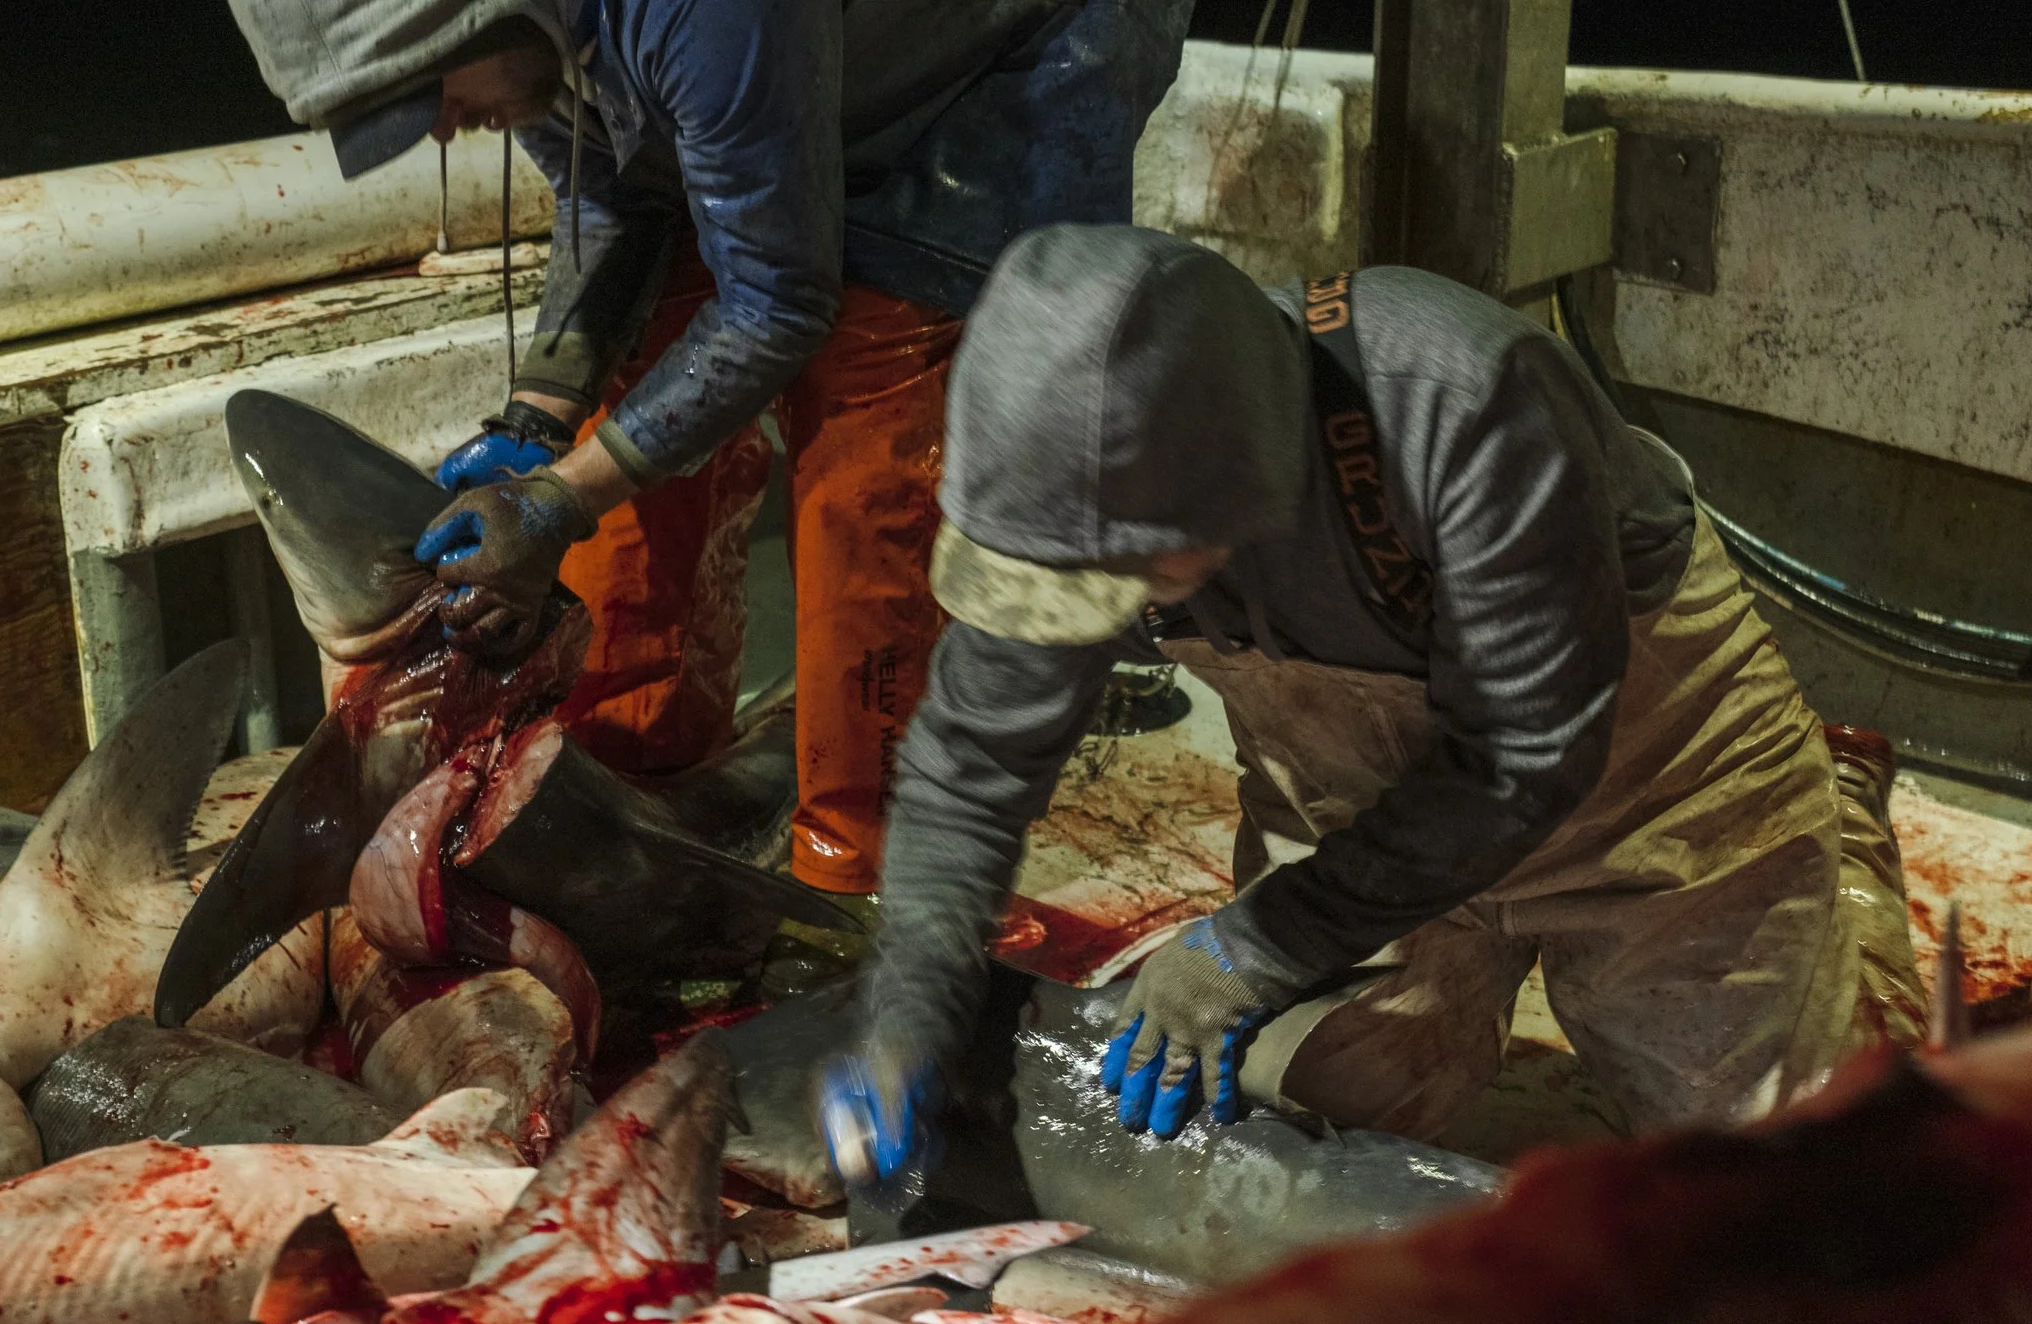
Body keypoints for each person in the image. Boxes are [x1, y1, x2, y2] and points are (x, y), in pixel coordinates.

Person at [818, 223, 1922, 1189]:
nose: (1086, 618)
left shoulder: (1465, 394)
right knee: (1293, 1086)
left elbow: (1527, 754)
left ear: (1244, 484)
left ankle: (1836, 827)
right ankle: (1448, 961)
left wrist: (1254, 942)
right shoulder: (1071, 452)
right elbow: (971, 763)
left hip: (1635, 763)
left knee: (1807, 1167)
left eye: (1123, 578)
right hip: (1368, 800)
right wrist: (909, 1005)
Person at [213, 0, 1195, 907]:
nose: (444, 129)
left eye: (433, 96)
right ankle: (636, 782)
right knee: (638, 371)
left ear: (473, 2)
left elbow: (779, 304)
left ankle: (865, 875)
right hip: (806, 29)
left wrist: (559, 500)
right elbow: (616, 200)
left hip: (1019, 32)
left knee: (869, 421)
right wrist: (536, 419)